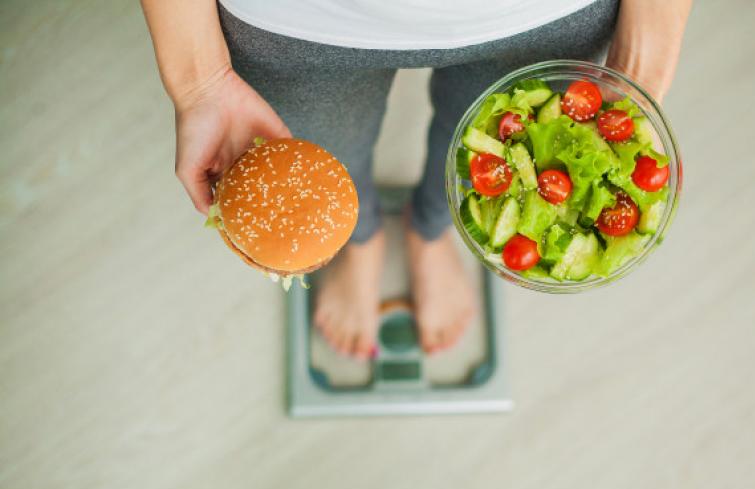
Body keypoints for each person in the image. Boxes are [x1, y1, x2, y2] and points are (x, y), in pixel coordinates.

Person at [141, 0, 692, 359]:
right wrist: (199, 80)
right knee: (326, 159)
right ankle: (359, 241)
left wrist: (643, 58)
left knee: (478, 166)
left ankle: (431, 231)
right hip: (292, 22)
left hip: (545, 15)